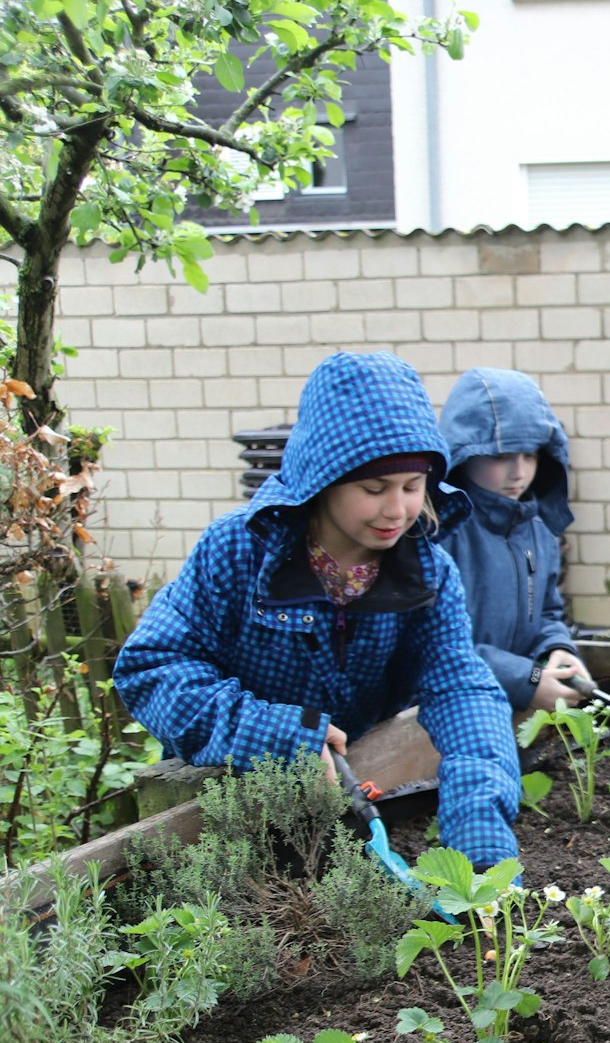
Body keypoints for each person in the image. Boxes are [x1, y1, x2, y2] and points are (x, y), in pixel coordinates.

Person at [115, 351, 521, 868]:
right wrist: (276, 735)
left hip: (349, 796)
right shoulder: (238, 552)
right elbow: (151, 669)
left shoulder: (428, 573)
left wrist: (480, 838)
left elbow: (461, 691)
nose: (396, 510)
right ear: (323, 480)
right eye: (374, 489)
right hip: (221, 810)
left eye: (412, 487)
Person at [438, 367, 586, 713]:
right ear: (464, 453)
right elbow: (436, 645)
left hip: (518, 712)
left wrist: (555, 650)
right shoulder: (442, 533)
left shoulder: (537, 528)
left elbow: (549, 612)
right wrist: (526, 679)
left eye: (531, 455)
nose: (518, 472)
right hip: (449, 714)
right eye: (501, 456)